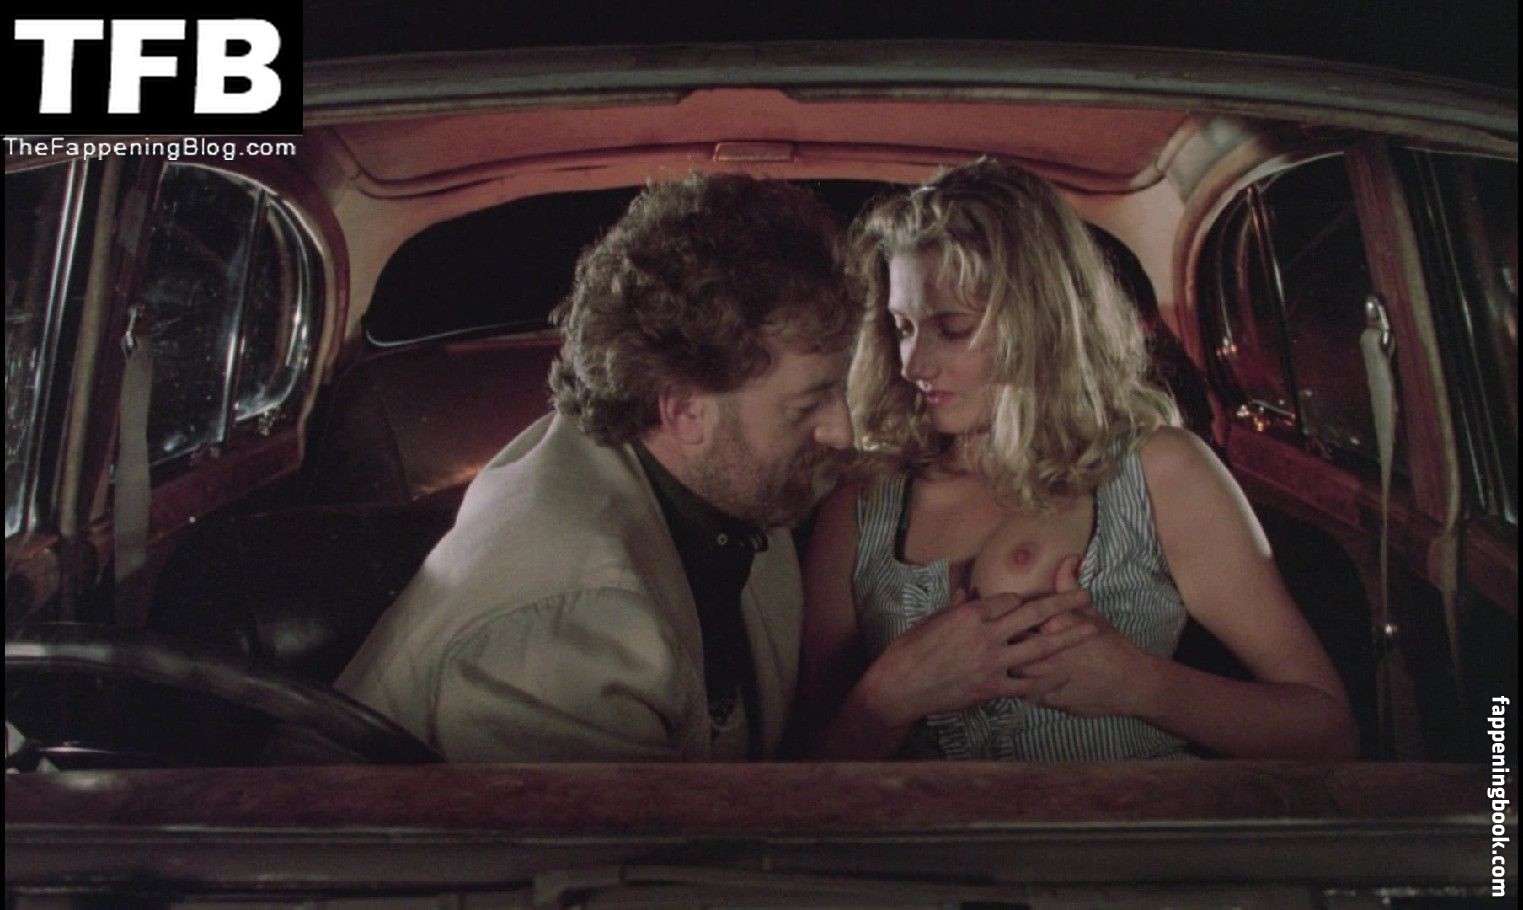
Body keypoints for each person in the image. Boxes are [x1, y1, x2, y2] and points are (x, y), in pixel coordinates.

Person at [791, 158, 1359, 761]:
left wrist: (1143, 687)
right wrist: (888, 697)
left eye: (951, 328)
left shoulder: (1158, 471)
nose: (914, 364)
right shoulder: (862, 504)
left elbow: (1327, 731)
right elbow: (798, 775)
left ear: (1040, 322)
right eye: (903, 328)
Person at [336, 173, 864, 762]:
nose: (842, 430)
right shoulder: (576, 616)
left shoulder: (721, 480)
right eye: (807, 406)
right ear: (685, 410)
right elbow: (641, 828)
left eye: (839, 391)